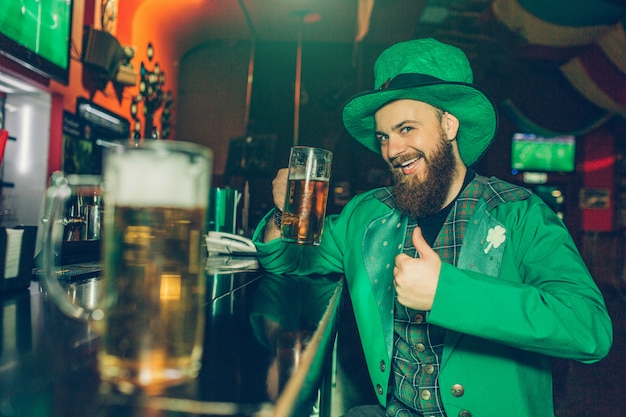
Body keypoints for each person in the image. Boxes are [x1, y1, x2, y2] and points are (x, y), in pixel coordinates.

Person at [251, 38, 613, 417]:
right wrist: (284, 212)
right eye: (384, 136)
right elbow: (289, 260)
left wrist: (447, 293)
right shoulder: (366, 214)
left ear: (449, 124)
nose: (392, 149)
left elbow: (590, 331)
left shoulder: (520, 214)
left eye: (406, 128)